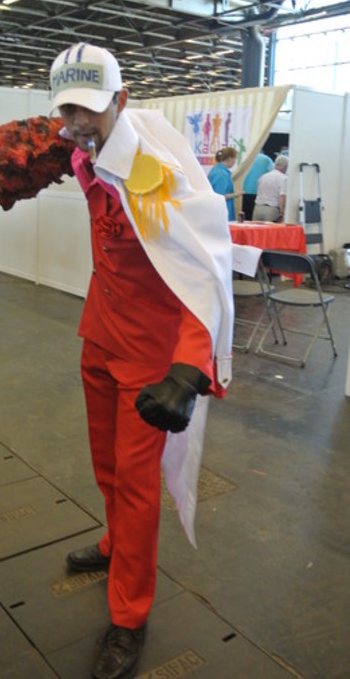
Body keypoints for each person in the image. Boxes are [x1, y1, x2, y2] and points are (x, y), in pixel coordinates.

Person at [49, 43, 233, 679]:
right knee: (105, 465)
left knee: (136, 486)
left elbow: (201, 268)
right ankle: (114, 545)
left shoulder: (161, 170)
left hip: (149, 362)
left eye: (90, 109)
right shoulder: (83, 152)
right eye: (68, 108)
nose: (77, 122)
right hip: (99, 336)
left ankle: (129, 615)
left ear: (121, 100)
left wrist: (188, 369)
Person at [207, 147, 241, 221]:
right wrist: (236, 194)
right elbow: (220, 196)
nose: (235, 161)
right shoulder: (222, 174)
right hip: (221, 211)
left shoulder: (216, 170)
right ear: (230, 159)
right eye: (235, 159)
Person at [252, 154, 289, 222]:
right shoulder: (284, 179)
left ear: (275, 165)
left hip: (257, 208)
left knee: (257, 231)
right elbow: (282, 197)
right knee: (270, 232)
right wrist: (282, 212)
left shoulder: (263, 176)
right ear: (286, 167)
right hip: (272, 210)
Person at [242, 150, 274, 220]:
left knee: (244, 218)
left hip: (242, 192)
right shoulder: (266, 159)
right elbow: (273, 174)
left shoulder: (244, 157)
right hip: (258, 193)